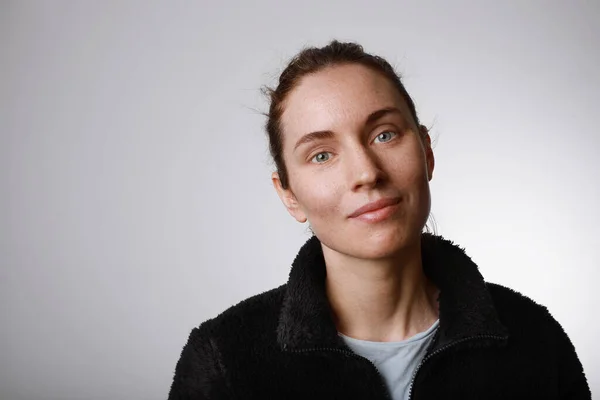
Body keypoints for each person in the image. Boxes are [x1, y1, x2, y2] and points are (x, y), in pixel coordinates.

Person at [168, 40, 591, 399]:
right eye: (321, 155)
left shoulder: (534, 338)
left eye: (384, 134)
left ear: (426, 151)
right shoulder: (224, 359)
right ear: (289, 195)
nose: (366, 173)